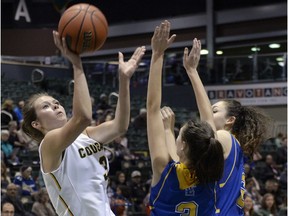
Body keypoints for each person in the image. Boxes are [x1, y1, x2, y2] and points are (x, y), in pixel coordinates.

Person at [22, 30, 146, 216]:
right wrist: (77, 64)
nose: (56, 106)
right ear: (36, 124)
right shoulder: (48, 145)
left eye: (56, 102)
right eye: (46, 107)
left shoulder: (86, 134)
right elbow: (83, 117)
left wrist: (124, 80)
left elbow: (120, 125)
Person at [183, 41, 271, 215]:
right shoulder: (233, 146)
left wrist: (192, 72)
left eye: (215, 110)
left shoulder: (224, 137)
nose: (210, 112)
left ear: (230, 120)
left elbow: (206, 121)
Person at [147, 20, 224, 215]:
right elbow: (208, 117)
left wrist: (157, 54)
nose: (176, 137)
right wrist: (192, 71)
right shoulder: (211, 172)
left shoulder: (163, 169)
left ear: (183, 146)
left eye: (178, 135)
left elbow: (152, 108)